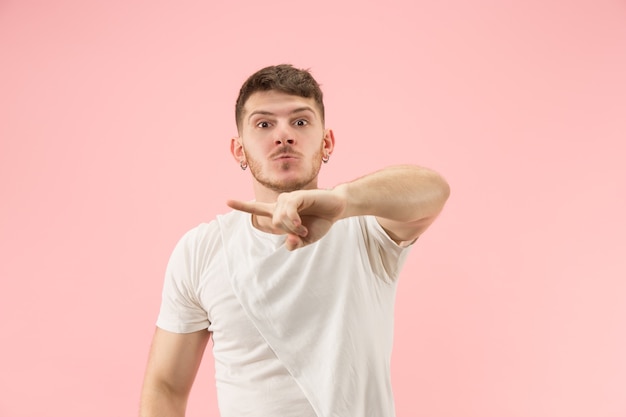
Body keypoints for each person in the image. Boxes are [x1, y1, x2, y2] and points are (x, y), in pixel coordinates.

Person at [139, 64, 450, 417]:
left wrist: (345, 200)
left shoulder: (365, 229)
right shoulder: (201, 250)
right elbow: (165, 387)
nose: (283, 135)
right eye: (264, 124)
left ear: (327, 141)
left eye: (300, 122)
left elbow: (434, 190)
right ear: (239, 150)